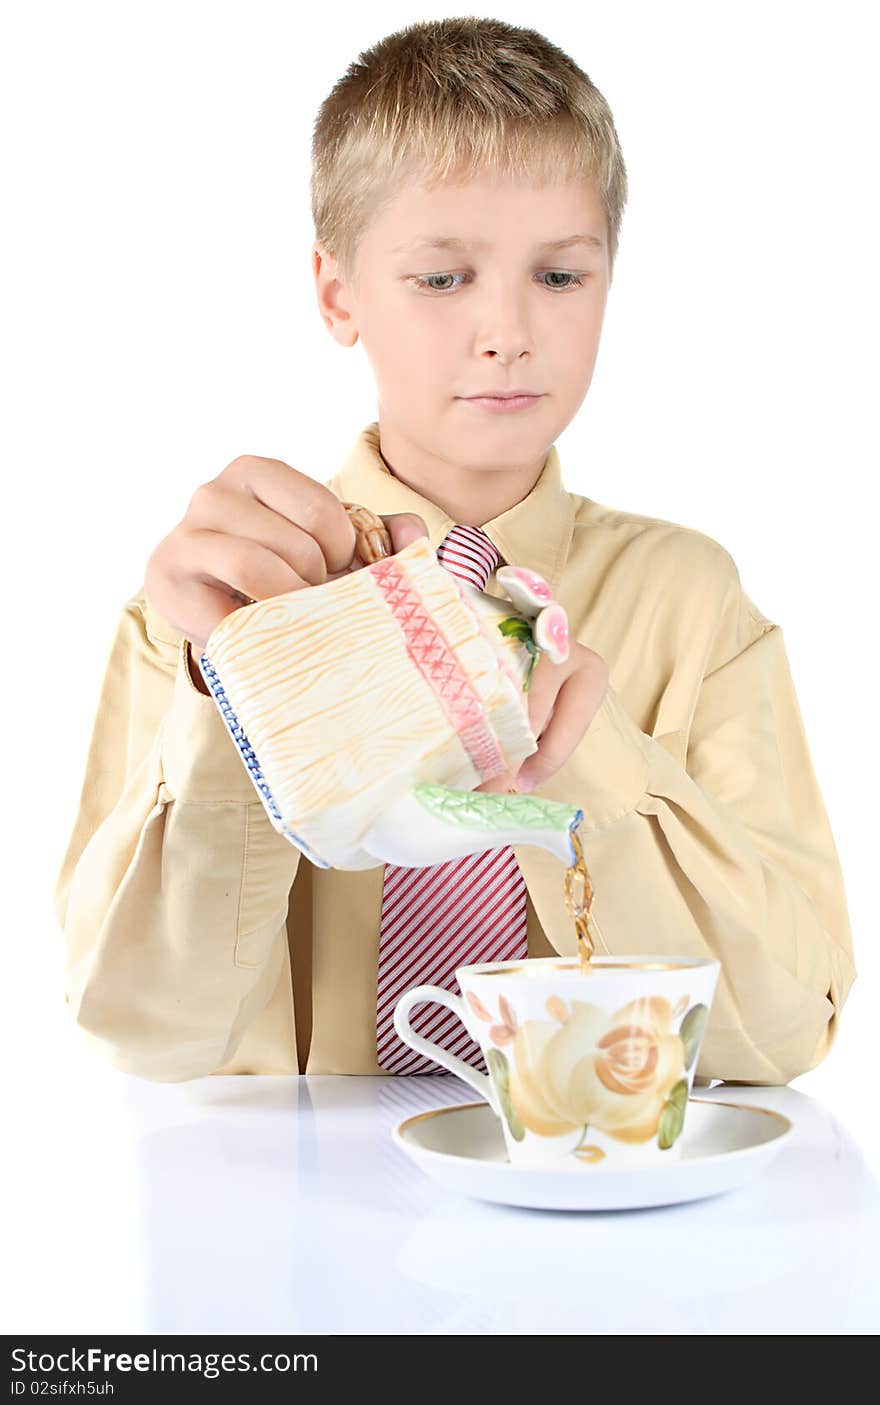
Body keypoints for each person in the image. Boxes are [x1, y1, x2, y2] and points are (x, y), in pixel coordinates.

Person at [53, 17, 855, 1086]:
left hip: (599, 1227)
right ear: (339, 294)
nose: (507, 331)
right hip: (277, 1229)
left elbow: (782, 1036)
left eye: (560, 276)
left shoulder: (692, 600)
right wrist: (235, 690)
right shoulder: (216, 601)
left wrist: (587, 742)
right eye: (442, 279)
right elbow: (144, 1031)